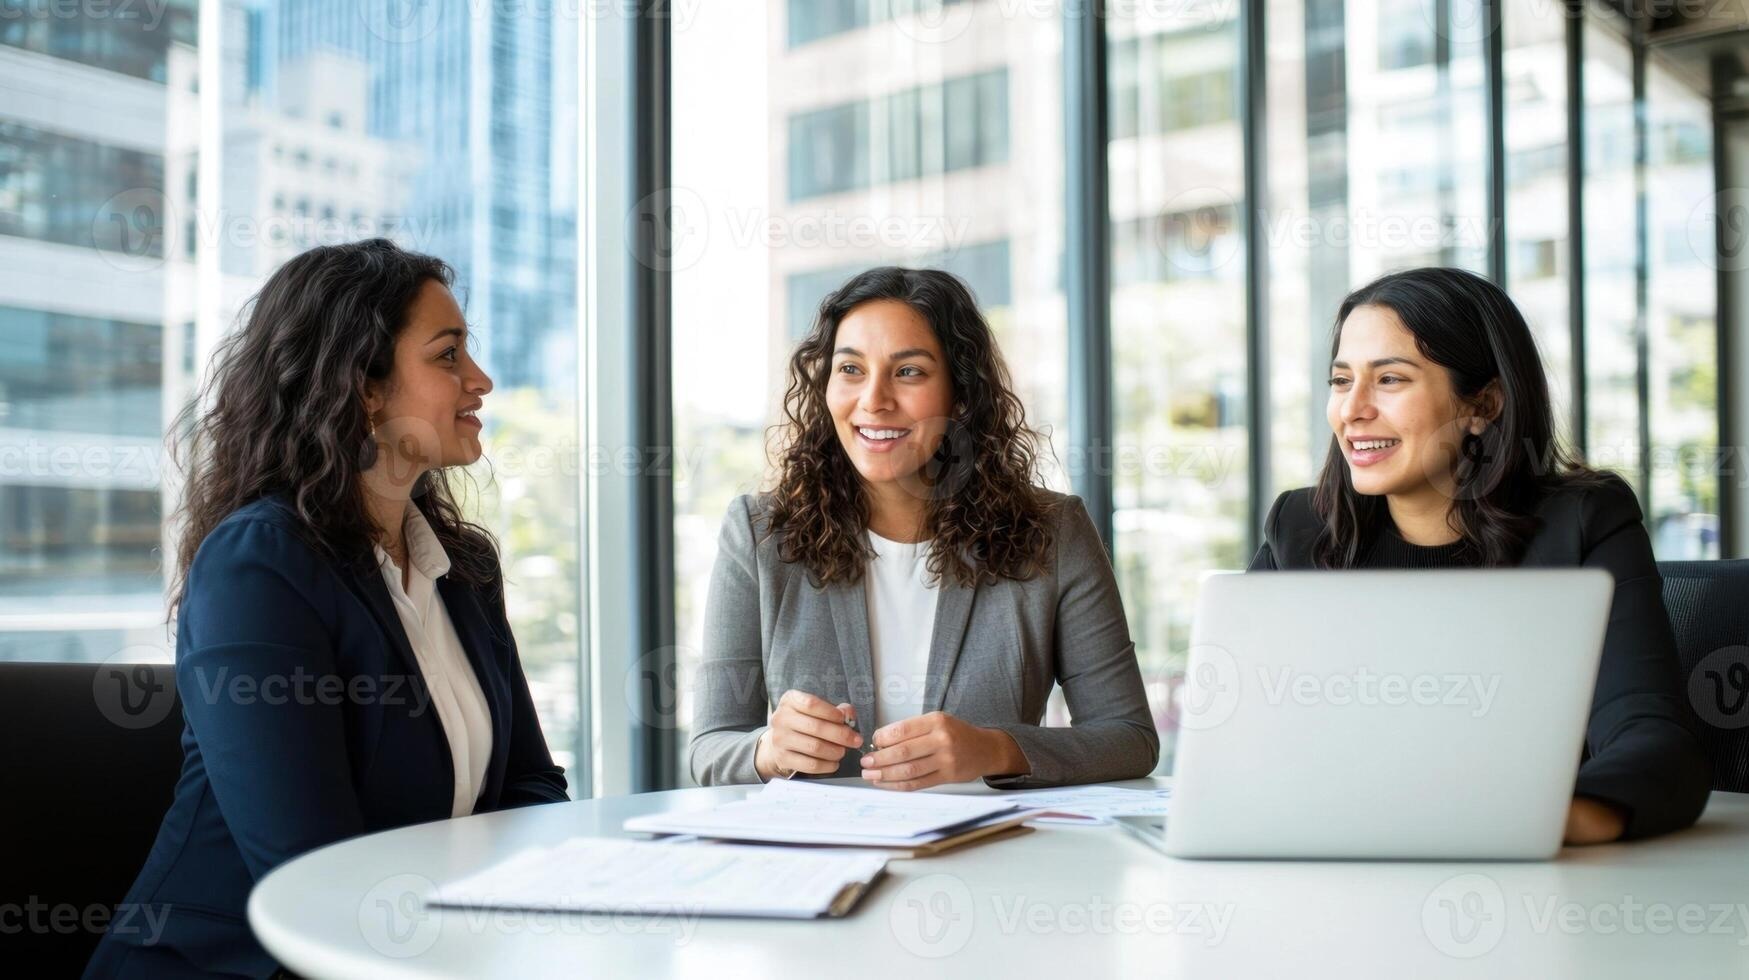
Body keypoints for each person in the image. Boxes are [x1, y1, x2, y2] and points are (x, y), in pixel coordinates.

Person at [86, 239, 567, 978]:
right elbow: (312, 870)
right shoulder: (260, 565)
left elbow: (530, 785)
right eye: (447, 356)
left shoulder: (463, 568)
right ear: (364, 387)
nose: (481, 380)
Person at [1252, 266, 1710, 843]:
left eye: (1390, 380)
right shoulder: (1300, 528)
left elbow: (1657, 742)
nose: (1352, 410)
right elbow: (1245, 736)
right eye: (1341, 381)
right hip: (1330, 865)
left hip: (1527, 884)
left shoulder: (1583, 523)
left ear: (1484, 404)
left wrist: (1541, 824)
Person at [688, 266, 1158, 790]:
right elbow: (711, 748)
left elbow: (1130, 738)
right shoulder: (758, 534)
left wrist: (993, 749)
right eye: (850, 369)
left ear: (961, 395)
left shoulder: (1053, 532)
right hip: (822, 860)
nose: (874, 400)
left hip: (994, 859)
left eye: (909, 372)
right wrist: (769, 750)